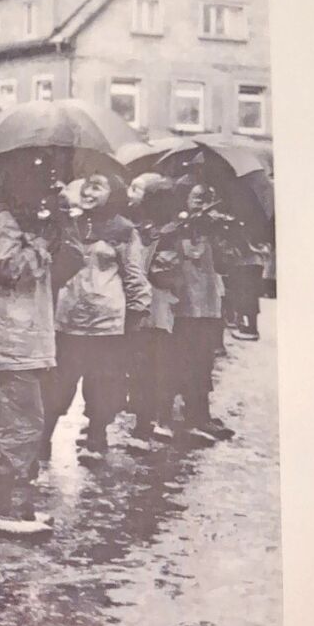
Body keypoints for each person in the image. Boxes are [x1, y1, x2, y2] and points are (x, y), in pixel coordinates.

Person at [0, 150, 78, 527]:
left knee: (16, 420)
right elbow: (14, 269)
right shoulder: (0, 218)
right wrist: (44, 243)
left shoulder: (10, 217)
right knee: (19, 422)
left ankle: (14, 502)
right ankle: (3, 507)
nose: (43, 181)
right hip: (8, 338)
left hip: (15, 336)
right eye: (36, 173)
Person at [42, 171, 152, 463]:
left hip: (106, 324)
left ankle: (96, 438)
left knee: (102, 384)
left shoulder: (125, 231)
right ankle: (42, 441)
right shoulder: (69, 225)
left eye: (98, 188)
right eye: (87, 186)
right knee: (57, 384)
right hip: (67, 318)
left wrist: (138, 312)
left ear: (113, 194)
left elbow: (134, 275)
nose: (89, 193)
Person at [169, 182, 236, 442]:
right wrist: (188, 226)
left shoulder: (217, 227)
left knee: (203, 361)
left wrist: (219, 231)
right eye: (196, 197)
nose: (201, 202)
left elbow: (227, 261)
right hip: (181, 306)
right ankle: (178, 415)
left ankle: (199, 414)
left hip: (208, 307)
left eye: (207, 198)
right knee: (181, 360)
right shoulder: (175, 227)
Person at [125, 174, 183, 449]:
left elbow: (168, 273)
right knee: (141, 365)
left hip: (157, 307)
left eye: (138, 189)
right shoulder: (136, 228)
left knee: (155, 365)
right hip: (145, 305)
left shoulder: (170, 233)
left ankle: (153, 419)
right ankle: (143, 419)